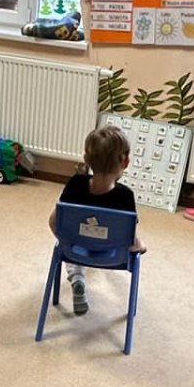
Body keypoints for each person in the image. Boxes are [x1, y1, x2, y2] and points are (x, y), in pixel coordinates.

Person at [49, 126, 144, 317]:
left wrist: (67, 240)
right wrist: (140, 245)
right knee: (135, 250)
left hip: (76, 249)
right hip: (112, 255)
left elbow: (53, 222)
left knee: (68, 248)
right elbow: (129, 239)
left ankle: (77, 278)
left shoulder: (75, 184)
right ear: (125, 162)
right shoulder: (125, 196)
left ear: (86, 158)